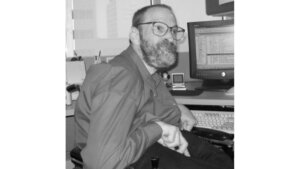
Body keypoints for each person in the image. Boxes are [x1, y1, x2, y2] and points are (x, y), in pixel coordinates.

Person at [74, 4, 233, 169]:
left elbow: (139, 107)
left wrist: (178, 109)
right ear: (135, 35)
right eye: (159, 28)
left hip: (143, 137)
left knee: (222, 161)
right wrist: (157, 129)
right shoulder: (119, 76)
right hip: (127, 154)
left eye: (173, 30)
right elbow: (102, 163)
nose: (170, 38)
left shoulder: (150, 74)